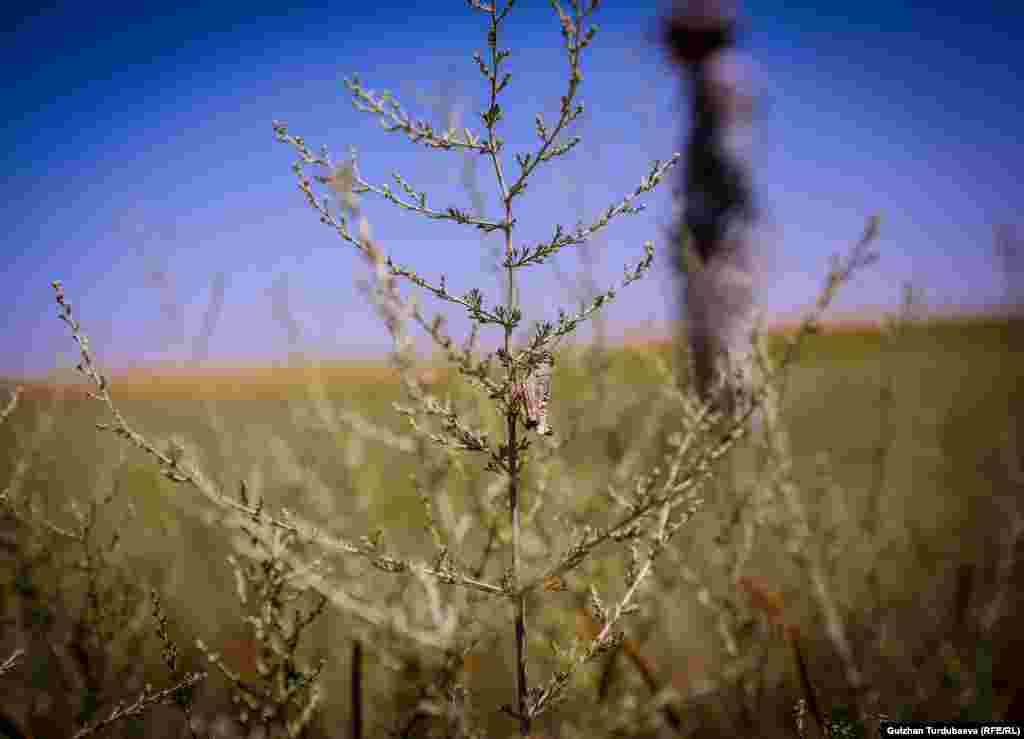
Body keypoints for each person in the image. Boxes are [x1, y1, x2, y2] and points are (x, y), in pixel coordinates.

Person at [664, 0, 762, 419]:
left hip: (720, 240)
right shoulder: (715, 78)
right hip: (719, 236)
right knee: (712, 354)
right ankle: (722, 451)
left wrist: (703, 223)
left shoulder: (719, 77)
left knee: (725, 352)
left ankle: (737, 450)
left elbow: (732, 163)